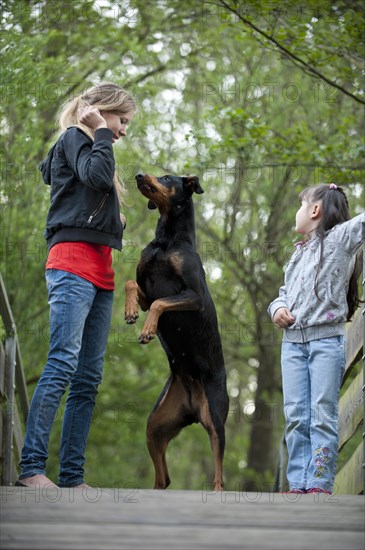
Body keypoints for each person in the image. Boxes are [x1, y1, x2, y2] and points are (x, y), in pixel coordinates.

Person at [17, 82, 137, 489]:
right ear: (102, 112)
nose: (123, 131)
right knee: (63, 362)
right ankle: (31, 470)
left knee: (88, 377)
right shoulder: (75, 138)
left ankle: (71, 477)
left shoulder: (90, 147)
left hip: (101, 270)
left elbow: (92, 192)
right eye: (122, 121)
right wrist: (100, 130)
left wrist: (116, 222)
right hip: (71, 265)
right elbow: (98, 178)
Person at [268, 183, 364, 494]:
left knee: (322, 414)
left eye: (300, 205)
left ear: (314, 210)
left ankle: (319, 483)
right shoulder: (296, 255)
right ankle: (298, 483)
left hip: (325, 344)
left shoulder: (341, 239)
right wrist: (277, 308)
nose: (296, 213)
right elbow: (285, 293)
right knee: (296, 415)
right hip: (293, 344)